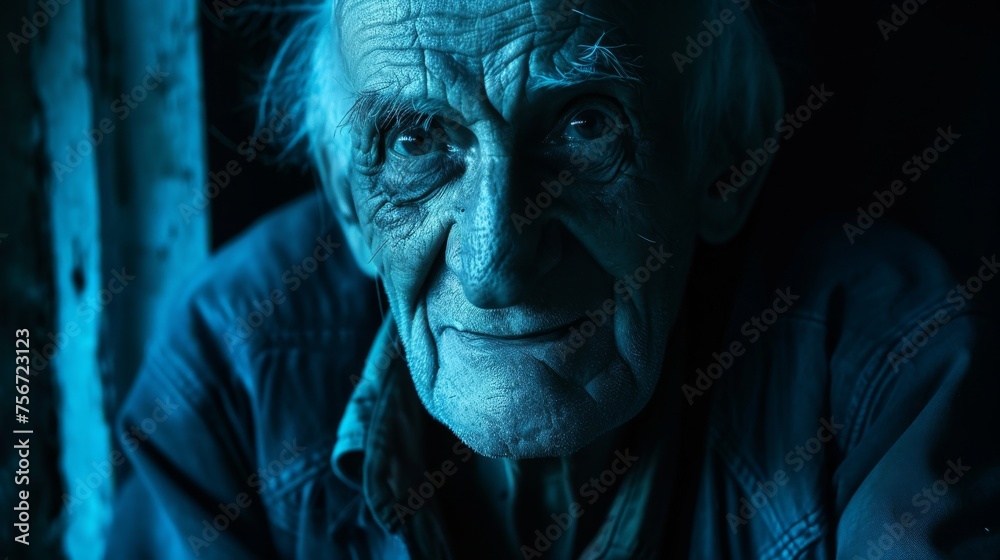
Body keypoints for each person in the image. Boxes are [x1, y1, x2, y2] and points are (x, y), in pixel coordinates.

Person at [111, 0, 1000, 558]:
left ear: (728, 152)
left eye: (583, 126)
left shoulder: (882, 366)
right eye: (418, 140)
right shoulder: (231, 373)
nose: (494, 262)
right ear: (349, 199)